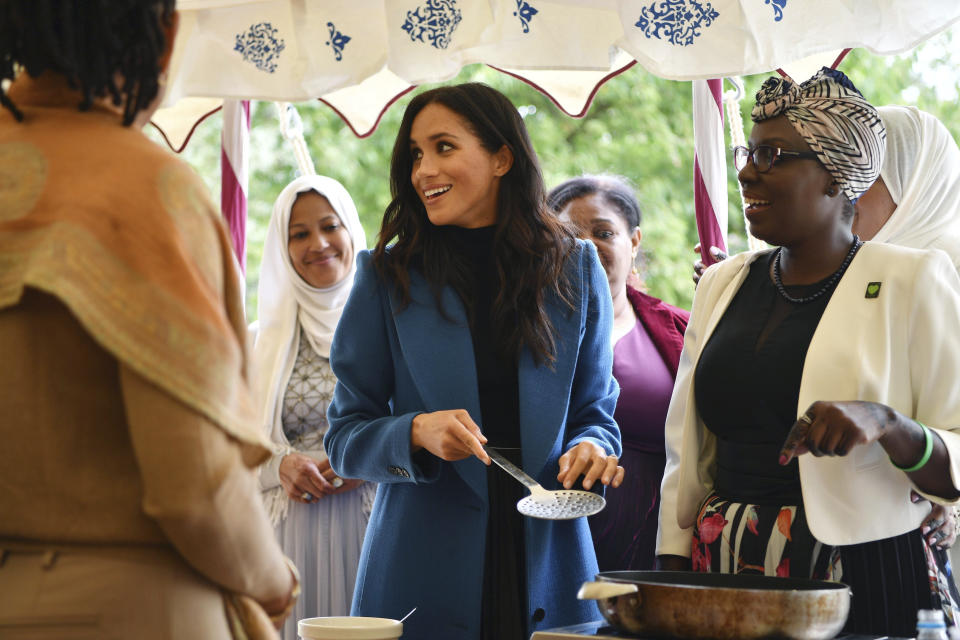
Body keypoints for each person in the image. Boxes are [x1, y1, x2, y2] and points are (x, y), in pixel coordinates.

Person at [0, 2, 300, 639]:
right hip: (131, 605)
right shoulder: (149, 189)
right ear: (163, 37)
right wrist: (275, 584)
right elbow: (194, 488)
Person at [657, 67, 960, 635]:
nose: (747, 172)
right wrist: (673, 564)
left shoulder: (913, 279)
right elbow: (686, 453)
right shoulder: (722, 283)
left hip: (858, 570)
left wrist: (888, 423)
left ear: (837, 176)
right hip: (724, 561)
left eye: (772, 155)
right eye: (750, 151)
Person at [324, 82, 623, 640]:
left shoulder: (577, 270)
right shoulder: (384, 277)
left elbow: (596, 413)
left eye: (443, 147)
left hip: (550, 555)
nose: (422, 170)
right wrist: (414, 431)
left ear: (502, 157)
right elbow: (343, 438)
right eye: (414, 153)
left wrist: (594, 448)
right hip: (422, 561)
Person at [252, 175, 377, 639]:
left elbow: (419, 431)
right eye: (299, 233)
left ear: (351, 231)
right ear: (281, 249)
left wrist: (369, 460)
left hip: (372, 530)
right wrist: (279, 464)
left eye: (330, 226)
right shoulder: (258, 344)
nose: (319, 243)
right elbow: (223, 451)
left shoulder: (391, 329)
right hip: (286, 540)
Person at [547, 175, 688, 571]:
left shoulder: (683, 331)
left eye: (604, 232)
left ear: (635, 241)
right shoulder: (524, 334)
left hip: (656, 548)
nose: (587, 245)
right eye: (570, 234)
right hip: (553, 544)